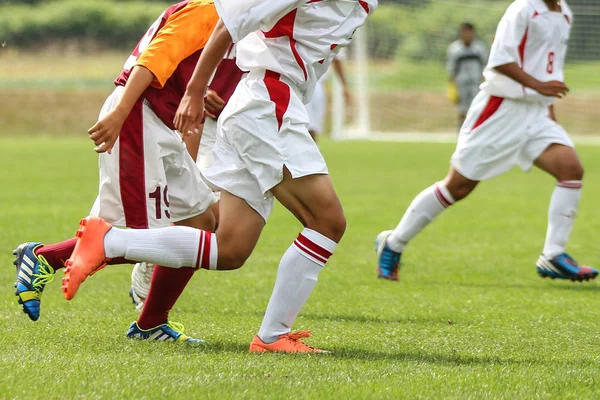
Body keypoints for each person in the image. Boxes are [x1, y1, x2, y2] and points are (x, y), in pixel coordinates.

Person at [62, 0, 377, 354]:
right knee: (327, 222)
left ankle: (107, 244)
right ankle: (273, 337)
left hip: (258, 104)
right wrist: (194, 93)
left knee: (231, 249)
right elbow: (228, 21)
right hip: (267, 102)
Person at [13, 0, 220, 344]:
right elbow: (152, 61)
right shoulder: (207, 9)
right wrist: (121, 111)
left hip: (158, 122)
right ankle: (44, 257)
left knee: (201, 224)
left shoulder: (219, 12)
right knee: (145, 237)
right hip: (139, 116)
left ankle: (151, 322)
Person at [376, 0, 597, 282]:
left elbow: (550, 68)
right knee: (458, 186)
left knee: (570, 170)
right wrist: (539, 86)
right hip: (501, 108)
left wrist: (548, 105)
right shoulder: (523, 9)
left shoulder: (564, 11)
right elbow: (500, 60)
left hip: (536, 112)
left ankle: (553, 255)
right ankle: (393, 243)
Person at [129, 46, 245, 310]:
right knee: (207, 219)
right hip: (205, 125)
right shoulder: (210, 16)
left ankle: (152, 264)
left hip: (243, 124)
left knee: (218, 224)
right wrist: (198, 91)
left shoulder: (269, 21)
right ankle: (151, 288)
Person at [447, 23, 488, 130]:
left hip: (476, 84)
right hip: (461, 85)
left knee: (477, 109)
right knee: (462, 111)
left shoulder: (479, 48)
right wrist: (452, 87)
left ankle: (475, 133)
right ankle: (461, 134)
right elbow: (452, 70)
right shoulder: (455, 49)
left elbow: (485, 66)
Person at [305, 56, 350, 142]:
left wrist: (344, 85)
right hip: (299, 82)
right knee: (305, 124)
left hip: (316, 85)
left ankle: (312, 150)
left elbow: (336, 59)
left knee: (312, 125)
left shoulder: (332, 43)